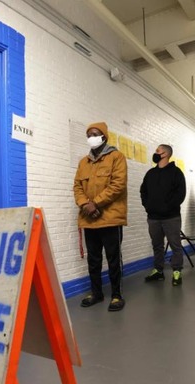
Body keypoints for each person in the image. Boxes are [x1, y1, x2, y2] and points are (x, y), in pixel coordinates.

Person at [73, 122, 128, 311]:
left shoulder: (116, 157)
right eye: (89, 134)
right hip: (90, 218)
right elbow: (78, 187)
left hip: (110, 217)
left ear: (104, 136)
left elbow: (117, 185)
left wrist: (94, 203)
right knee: (93, 259)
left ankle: (116, 295)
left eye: (95, 134)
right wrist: (84, 204)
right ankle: (96, 293)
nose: (91, 137)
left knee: (113, 258)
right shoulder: (83, 162)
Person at [140, 144, 186, 286]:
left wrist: (167, 207)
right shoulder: (150, 173)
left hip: (171, 217)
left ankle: (177, 271)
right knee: (157, 245)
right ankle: (158, 271)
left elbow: (180, 194)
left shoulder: (176, 173)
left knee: (175, 245)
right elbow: (143, 191)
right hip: (153, 217)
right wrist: (148, 206)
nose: (155, 153)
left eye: (158, 151)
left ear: (165, 154)